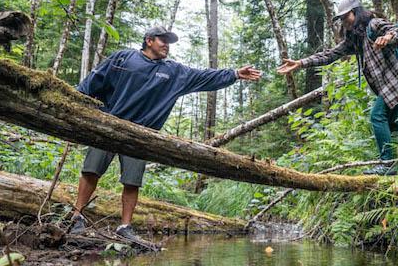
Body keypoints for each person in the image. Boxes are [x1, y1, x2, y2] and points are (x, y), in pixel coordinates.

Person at [69, 25, 261, 246]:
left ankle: (125, 227)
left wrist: (235, 74)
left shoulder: (173, 72)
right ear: (149, 40)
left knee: (132, 182)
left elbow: (203, 76)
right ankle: (76, 217)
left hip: (141, 135)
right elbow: (94, 80)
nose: (167, 45)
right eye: (163, 40)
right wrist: (74, 102)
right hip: (109, 125)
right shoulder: (123, 58)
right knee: (91, 171)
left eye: (169, 42)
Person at [278, 0, 398, 175]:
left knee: (377, 116)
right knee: (396, 124)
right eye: (341, 19)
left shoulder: (374, 25)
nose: (344, 22)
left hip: (397, 78)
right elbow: (330, 55)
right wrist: (301, 63)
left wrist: (387, 37)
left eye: (346, 17)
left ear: (356, 12)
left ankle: (387, 164)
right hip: (389, 83)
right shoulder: (355, 39)